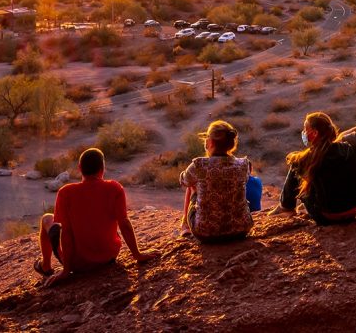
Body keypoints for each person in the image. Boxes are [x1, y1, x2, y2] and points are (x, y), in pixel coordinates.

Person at [36, 148, 155, 287]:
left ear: (79, 168)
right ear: (102, 168)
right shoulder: (114, 188)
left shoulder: (66, 192)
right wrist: (137, 255)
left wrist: (66, 270)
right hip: (108, 257)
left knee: (47, 219)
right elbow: (124, 223)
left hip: (78, 264)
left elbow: (66, 233)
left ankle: (45, 266)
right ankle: (46, 265)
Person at [270, 112, 356, 225]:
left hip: (326, 216)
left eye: (305, 129)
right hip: (352, 211)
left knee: (296, 163)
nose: (303, 133)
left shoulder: (305, 158)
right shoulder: (347, 149)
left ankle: (286, 206)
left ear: (314, 133)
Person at [179, 121, 254, 242]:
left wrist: (186, 174)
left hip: (205, 233)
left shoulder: (198, 165)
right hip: (241, 230)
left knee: (192, 185)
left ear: (211, 142)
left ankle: (185, 226)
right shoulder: (244, 164)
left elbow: (184, 181)